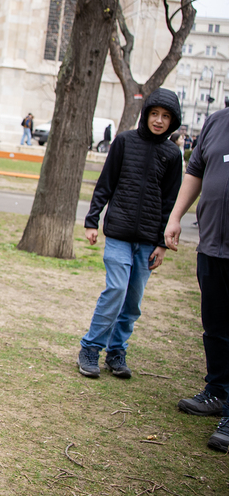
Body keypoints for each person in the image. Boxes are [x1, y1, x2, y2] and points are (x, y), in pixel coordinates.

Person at [79, 89, 182, 380]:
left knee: (133, 301)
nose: (159, 120)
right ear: (146, 114)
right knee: (116, 290)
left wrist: (162, 243)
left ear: (172, 121)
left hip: (148, 241)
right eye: (154, 114)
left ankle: (116, 352)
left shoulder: (173, 154)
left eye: (165, 116)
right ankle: (90, 348)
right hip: (119, 234)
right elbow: (105, 183)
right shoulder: (124, 141)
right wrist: (92, 221)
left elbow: (170, 201)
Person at [164, 103, 229, 452]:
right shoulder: (217, 121)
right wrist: (176, 217)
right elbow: (196, 172)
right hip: (212, 246)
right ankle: (217, 392)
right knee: (215, 328)